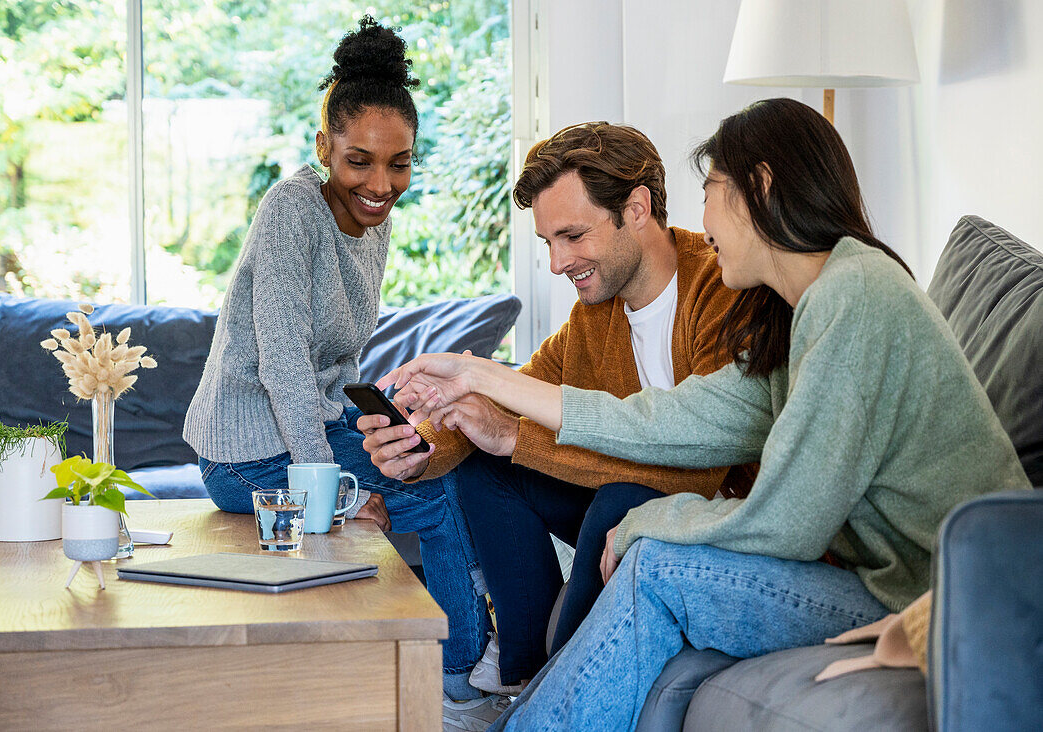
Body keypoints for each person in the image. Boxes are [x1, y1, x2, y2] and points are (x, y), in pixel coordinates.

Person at [380, 98, 1032, 730]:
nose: (702, 216)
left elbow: (788, 522)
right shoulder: (801, 313)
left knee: (656, 563)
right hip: (895, 586)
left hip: (949, 600)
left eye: (713, 188)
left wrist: (646, 520)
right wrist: (477, 376)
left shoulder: (855, 295)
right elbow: (660, 419)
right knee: (646, 550)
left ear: (761, 189)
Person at [358, 122, 756, 695]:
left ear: (637, 208)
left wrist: (515, 436)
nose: (557, 262)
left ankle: (558, 685)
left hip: (711, 512)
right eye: (549, 242)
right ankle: (522, 668)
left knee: (618, 499)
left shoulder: (721, 287)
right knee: (489, 465)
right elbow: (512, 395)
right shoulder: (594, 314)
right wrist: (421, 445)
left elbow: (697, 470)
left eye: (572, 236)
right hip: (624, 499)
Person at [181, 16, 493, 705]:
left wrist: (387, 414)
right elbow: (284, 365)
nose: (381, 183)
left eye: (399, 162)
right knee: (433, 497)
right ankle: (460, 681)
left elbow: (338, 359)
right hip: (244, 452)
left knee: (439, 457)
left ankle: (470, 656)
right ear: (325, 146)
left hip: (310, 432)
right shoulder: (292, 210)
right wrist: (335, 488)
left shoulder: (372, 221)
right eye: (359, 160)